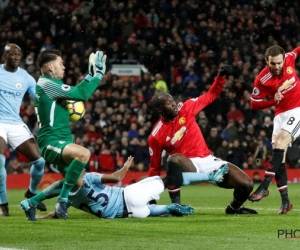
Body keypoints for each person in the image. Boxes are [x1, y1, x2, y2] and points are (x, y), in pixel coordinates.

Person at [148, 65, 257, 215]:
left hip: (208, 160)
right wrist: (151, 198)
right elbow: (154, 169)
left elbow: (212, 94)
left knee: (247, 184)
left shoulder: (186, 108)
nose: (173, 104)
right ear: (160, 110)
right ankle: (176, 207)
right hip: (188, 165)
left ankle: (233, 208)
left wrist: (220, 77)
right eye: (168, 103)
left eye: (172, 100)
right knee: (174, 158)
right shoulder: (156, 135)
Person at [20, 49, 107, 219]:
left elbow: (77, 92)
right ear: (51, 67)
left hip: (62, 140)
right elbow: (81, 93)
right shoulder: (47, 84)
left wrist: (89, 76)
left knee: (77, 183)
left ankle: (31, 202)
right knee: (84, 154)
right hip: (51, 141)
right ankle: (63, 201)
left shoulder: (49, 85)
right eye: (61, 64)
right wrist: (98, 75)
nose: (64, 67)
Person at [22, 156, 219, 221]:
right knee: (170, 179)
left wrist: (40, 217)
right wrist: (125, 167)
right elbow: (116, 177)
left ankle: (168, 209)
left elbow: (55, 213)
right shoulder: (89, 177)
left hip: (126, 214)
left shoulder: (65, 196)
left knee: (149, 211)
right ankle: (210, 176)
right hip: (129, 194)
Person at [248, 45, 300, 214]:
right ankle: (286, 203)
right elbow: (253, 103)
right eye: (273, 63)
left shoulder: (291, 58)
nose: (277, 66)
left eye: (279, 63)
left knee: (280, 141)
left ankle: (263, 186)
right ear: (266, 61)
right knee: (280, 157)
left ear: (284, 59)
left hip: (297, 108)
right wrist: (272, 101)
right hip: (280, 114)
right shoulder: (262, 79)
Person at [0, 43, 47, 216]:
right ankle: (3, 205)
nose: (16, 56)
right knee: (0, 163)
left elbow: (39, 98)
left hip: (15, 123)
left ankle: (32, 193)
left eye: (18, 53)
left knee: (40, 161)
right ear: (5, 56)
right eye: (12, 53)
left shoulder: (25, 77)